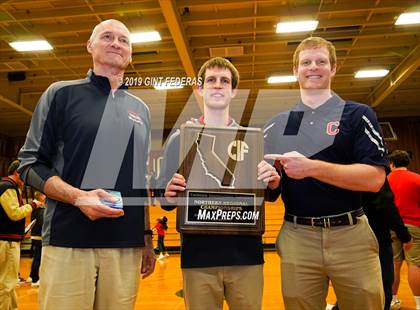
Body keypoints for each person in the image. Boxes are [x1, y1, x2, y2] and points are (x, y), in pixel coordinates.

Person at [18, 19, 155, 310]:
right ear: (90, 46)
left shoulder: (141, 110)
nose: (116, 43)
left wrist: (146, 237)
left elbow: (139, 181)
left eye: (123, 40)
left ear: (130, 55)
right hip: (69, 242)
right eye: (107, 37)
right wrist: (80, 197)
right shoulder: (61, 94)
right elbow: (30, 164)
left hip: (125, 246)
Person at [264, 36, 388, 310]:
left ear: (334, 68)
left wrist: (311, 167)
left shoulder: (358, 115)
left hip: (351, 235)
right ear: (295, 70)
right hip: (298, 236)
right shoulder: (277, 124)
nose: (313, 67)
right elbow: (266, 190)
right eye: (306, 62)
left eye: (321, 61)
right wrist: (271, 183)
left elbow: (375, 179)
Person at [159, 57, 279, 310]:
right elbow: (164, 197)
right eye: (210, 80)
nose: (217, 85)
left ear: (233, 90)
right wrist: (169, 194)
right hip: (197, 257)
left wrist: (273, 181)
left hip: (246, 256)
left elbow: (270, 193)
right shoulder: (181, 139)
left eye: (224, 81)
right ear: (200, 89)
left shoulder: (253, 139)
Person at [328, 179, 413, 310]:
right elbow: (385, 205)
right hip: (374, 238)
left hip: (343, 236)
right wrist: (404, 235)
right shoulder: (373, 172)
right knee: (381, 287)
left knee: (351, 285)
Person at [0, 160, 37, 310]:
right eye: (26, 175)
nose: (27, 180)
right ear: (17, 173)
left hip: (7, 240)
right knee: (6, 284)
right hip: (6, 242)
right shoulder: (7, 187)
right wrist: (32, 205)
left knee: (9, 282)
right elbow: (14, 213)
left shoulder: (8, 186)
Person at [387, 150, 420, 310]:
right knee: (415, 264)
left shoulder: (384, 180)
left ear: (391, 163)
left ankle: (392, 300)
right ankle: (419, 304)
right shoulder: (417, 179)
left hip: (390, 226)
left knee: (394, 263)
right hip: (414, 225)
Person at [27, 191, 47, 288]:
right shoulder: (40, 208)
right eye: (44, 195)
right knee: (38, 258)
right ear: (41, 196)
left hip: (35, 235)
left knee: (36, 257)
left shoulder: (35, 207)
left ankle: (31, 276)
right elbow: (42, 222)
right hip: (39, 236)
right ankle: (35, 280)